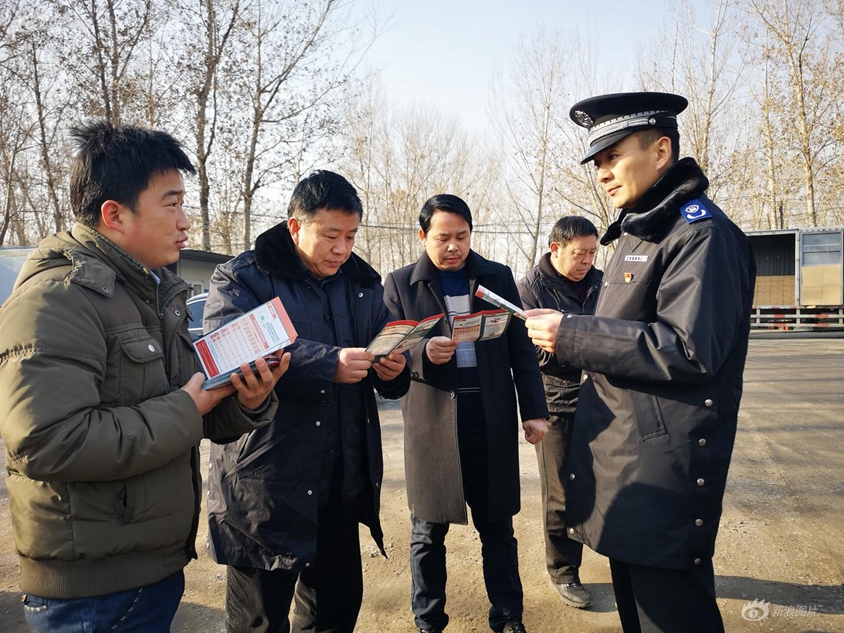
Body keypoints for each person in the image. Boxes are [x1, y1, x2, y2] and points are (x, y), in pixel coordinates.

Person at [0, 121, 284, 633]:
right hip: (94, 592)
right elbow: (46, 441)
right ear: (114, 214)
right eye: (171, 204)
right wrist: (188, 408)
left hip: (146, 568)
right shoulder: (58, 299)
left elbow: (188, 408)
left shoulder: (149, 294)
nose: (185, 222)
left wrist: (248, 399)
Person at [524, 92, 756, 633]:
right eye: (598, 163)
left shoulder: (699, 233)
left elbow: (688, 348)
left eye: (614, 157)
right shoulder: (641, 229)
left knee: (671, 617)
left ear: (660, 150)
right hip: (627, 464)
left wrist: (573, 335)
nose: (604, 174)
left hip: (664, 466)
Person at [203, 170, 410, 633]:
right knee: (260, 621)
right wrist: (327, 362)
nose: (342, 249)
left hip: (340, 479)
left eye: (351, 236)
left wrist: (396, 370)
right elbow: (232, 348)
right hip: (267, 485)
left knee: (334, 613)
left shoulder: (359, 282)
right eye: (331, 235)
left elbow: (383, 342)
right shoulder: (243, 278)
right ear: (296, 227)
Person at [383, 194, 549, 633]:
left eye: (461, 236)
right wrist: (422, 352)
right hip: (432, 422)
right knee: (427, 533)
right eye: (443, 238)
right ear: (422, 237)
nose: (453, 246)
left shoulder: (496, 277)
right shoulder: (402, 284)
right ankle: (428, 621)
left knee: (497, 528)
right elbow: (389, 348)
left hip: (489, 416)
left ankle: (509, 617)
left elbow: (521, 350)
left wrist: (533, 411)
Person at [517, 215, 602, 609]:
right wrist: (590, 345)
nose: (586, 260)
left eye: (591, 252)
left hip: (604, 398)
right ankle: (564, 571)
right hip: (557, 403)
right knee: (561, 491)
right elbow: (534, 353)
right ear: (556, 248)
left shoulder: (603, 281)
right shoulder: (530, 289)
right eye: (578, 252)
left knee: (608, 480)